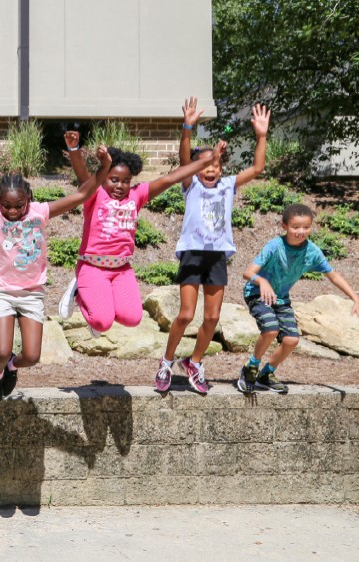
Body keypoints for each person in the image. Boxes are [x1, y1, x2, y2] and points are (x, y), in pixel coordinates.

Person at [0, 123, 111, 407]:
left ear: (29, 200)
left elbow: (82, 194)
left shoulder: (40, 212)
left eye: (19, 205)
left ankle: (12, 367)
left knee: (32, 356)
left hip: (32, 293)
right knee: (1, 351)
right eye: (7, 206)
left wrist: (104, 168)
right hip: (2, 291)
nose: (13, 211)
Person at [60, 130, 230, 342]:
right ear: (103, 178)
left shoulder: (136, 195)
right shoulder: (95, 194)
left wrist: (210, 160)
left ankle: (97, 304)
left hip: (121, 269)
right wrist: (74, 148)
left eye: (125, 181)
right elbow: (82, 173)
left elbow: (171, 178)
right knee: (101, 322)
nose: (120, 186)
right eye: (114, 180)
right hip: (92, 266)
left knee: (133, 318)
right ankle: (80, 292)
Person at [156, 99, 269, 394]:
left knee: (212, 317)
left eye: (215, 165)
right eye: (205, 165)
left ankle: (194, 362)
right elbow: (185, 161)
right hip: (192, 253)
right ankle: (166, 361)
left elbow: (257, 167)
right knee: (185, 314)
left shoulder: (228, 185)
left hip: (217, 255)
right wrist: (187, 127)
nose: (211, 170)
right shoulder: (190, 184)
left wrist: (261, 135)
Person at [237, 204, 359, 394]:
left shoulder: (312, 251)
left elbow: (333, 275)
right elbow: (248, 273)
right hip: (257, 293)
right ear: (284, 226)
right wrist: (262, 281)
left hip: (281, 299)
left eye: (306, 227)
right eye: (295, 227)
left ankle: (266, 374)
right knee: (270, 330)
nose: (301, 231)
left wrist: (354, 297)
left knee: (292, 340)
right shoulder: (274, 246)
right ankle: (250, 368)